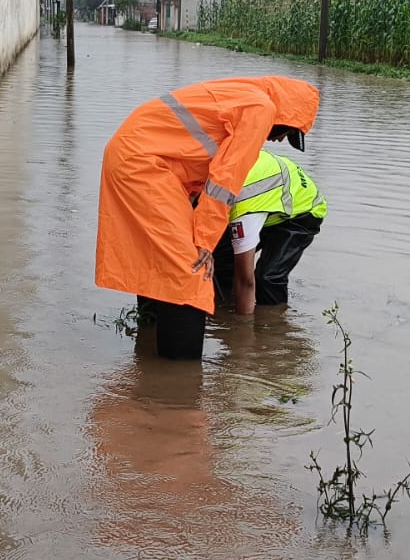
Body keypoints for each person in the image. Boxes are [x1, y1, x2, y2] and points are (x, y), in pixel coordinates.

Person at [96, 76, 320, 359]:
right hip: (144, 166)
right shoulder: (260, 109)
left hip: (143, 160)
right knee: (193, 270)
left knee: (165, 261)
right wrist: (204, 241)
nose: (278, 140)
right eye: (287, 133)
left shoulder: (244, 94)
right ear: (286, 115)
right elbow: (225, 180)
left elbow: (196, 166)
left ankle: (149, 354)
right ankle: (180, 378)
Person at [212, 150, 327, 314]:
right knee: (219, 258)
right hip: (271, 199)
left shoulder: (244, 206)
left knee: (268, 277)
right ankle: (223, 306)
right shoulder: (218, 167)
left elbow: (246, 280)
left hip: (303, 211)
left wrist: (242, 325)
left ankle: (272, 321)